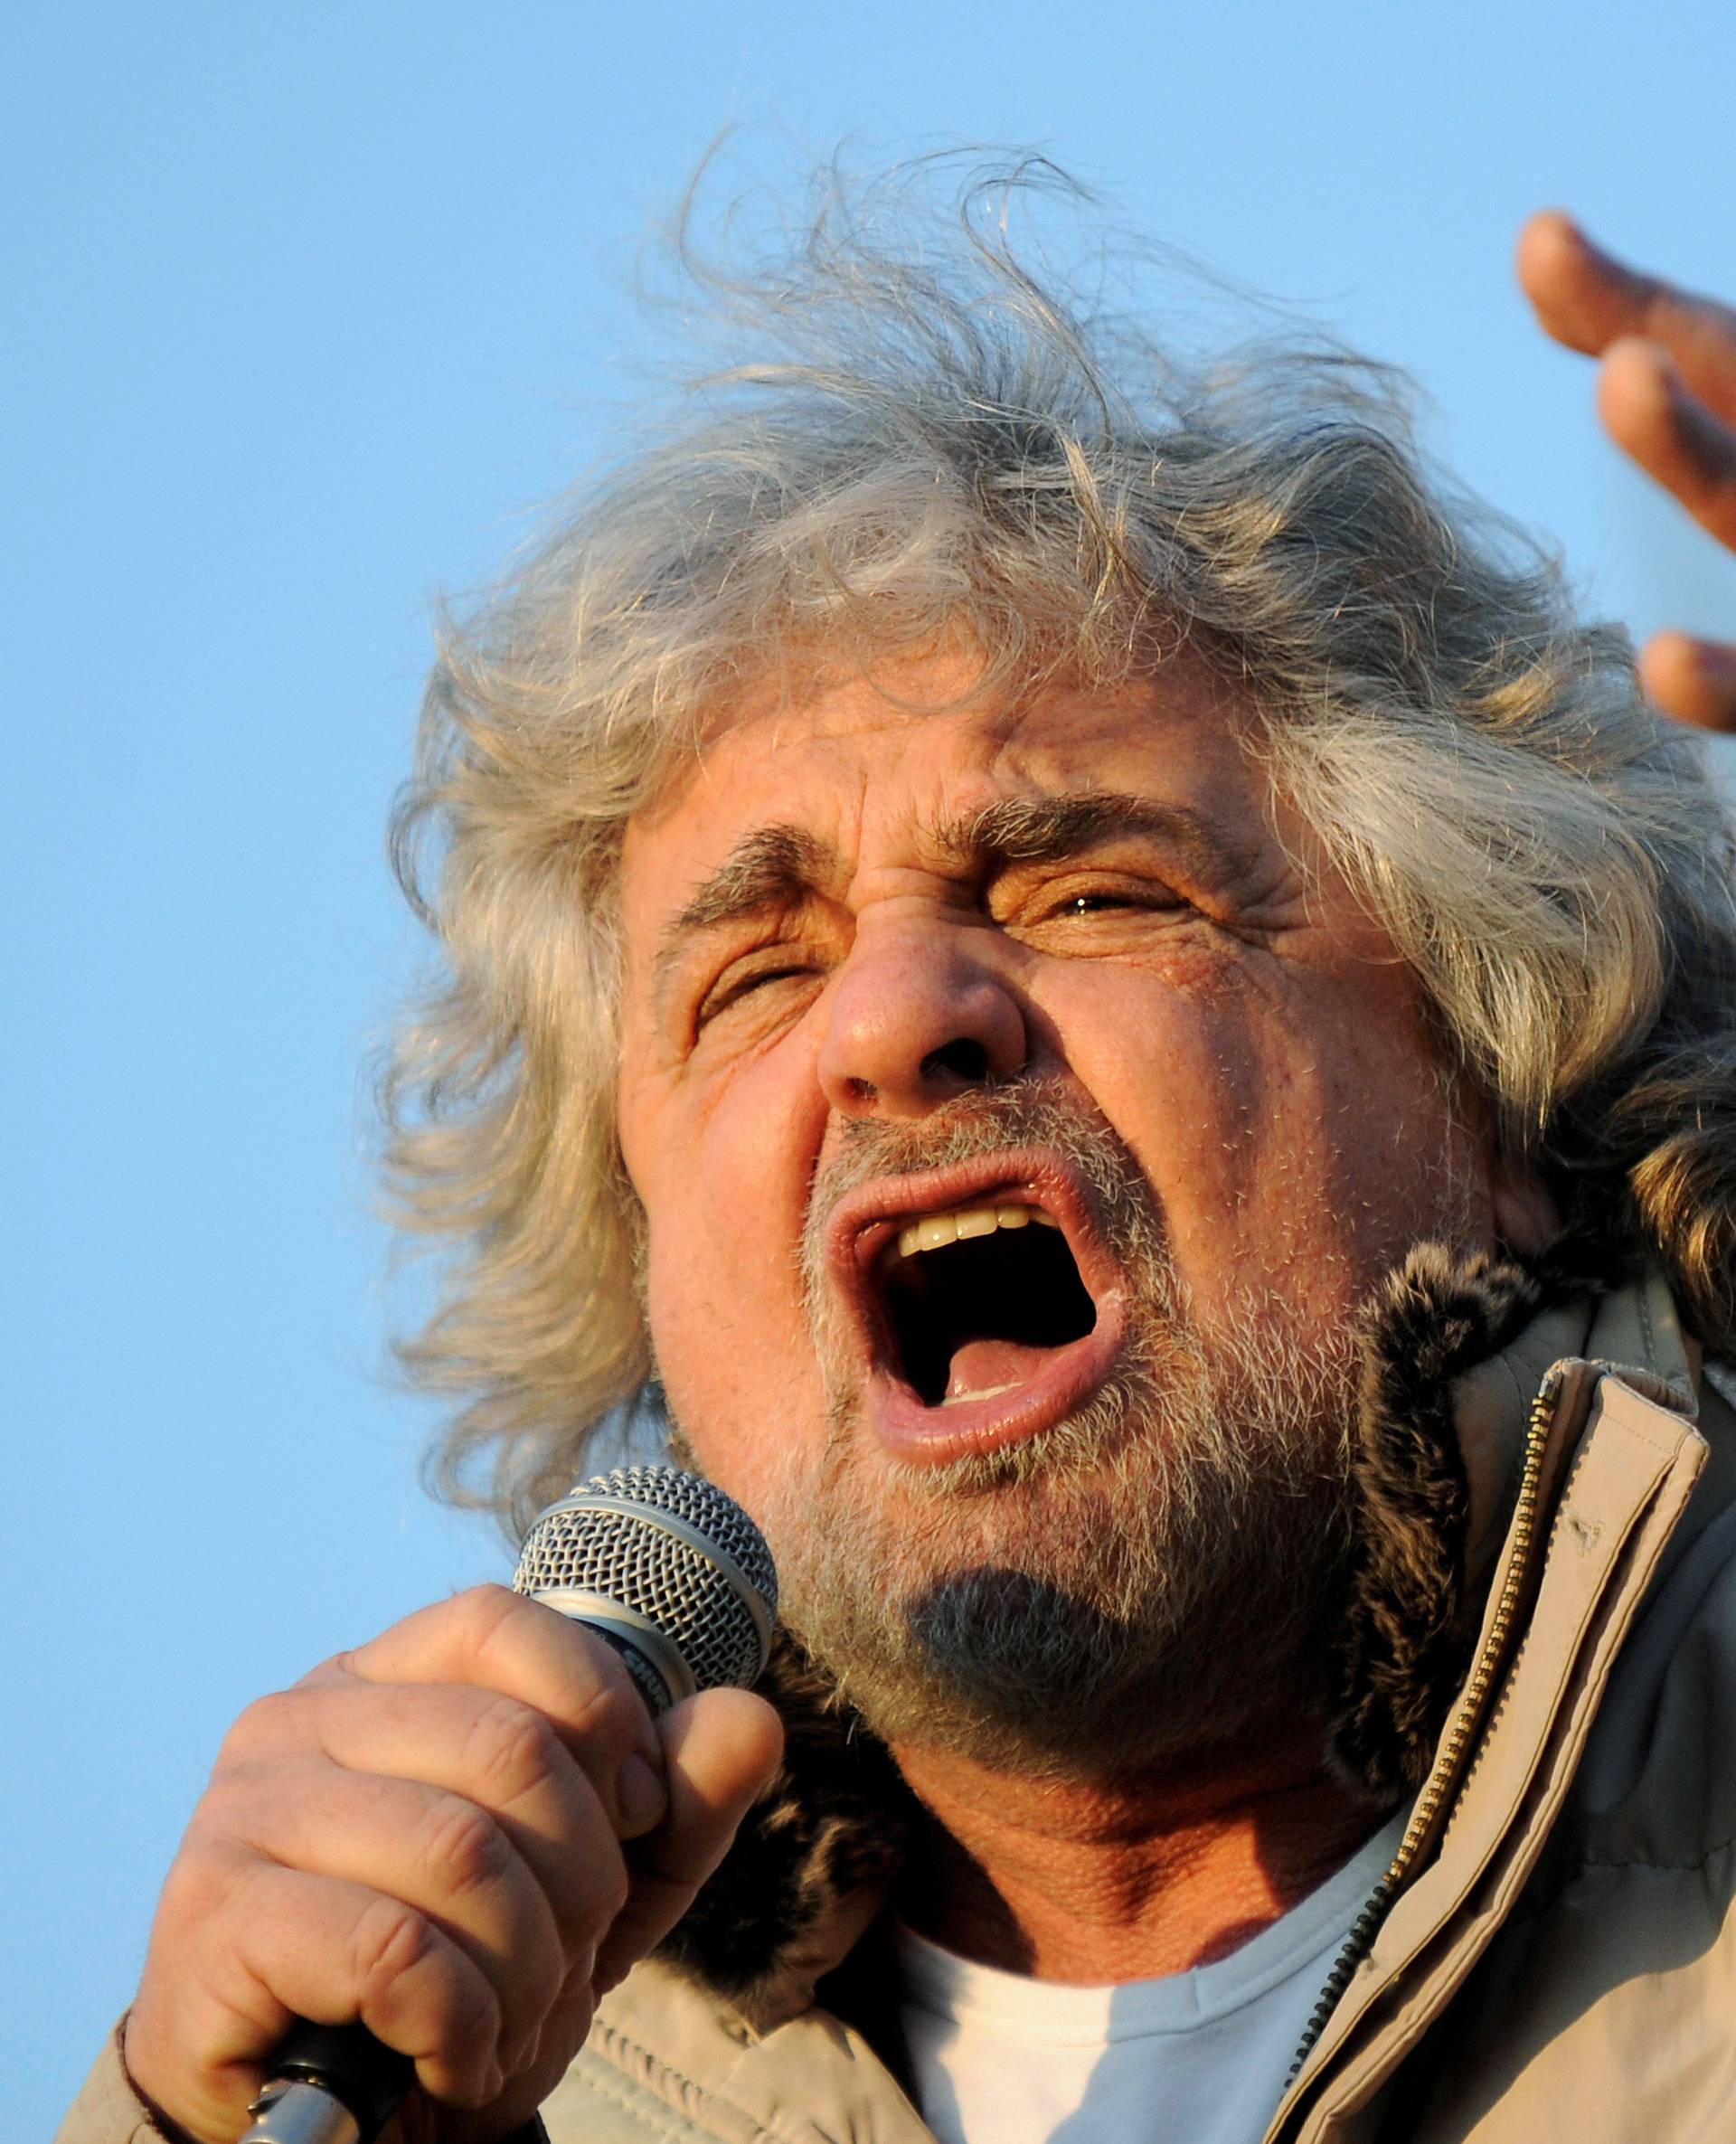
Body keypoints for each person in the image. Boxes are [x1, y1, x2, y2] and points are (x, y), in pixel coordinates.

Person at [55, 166, 1736, 2144]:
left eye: (1094, 889)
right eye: (751, 976)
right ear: (645, 1266)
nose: (891, 1019)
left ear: (1508, 1074)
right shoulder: (450, 2088)